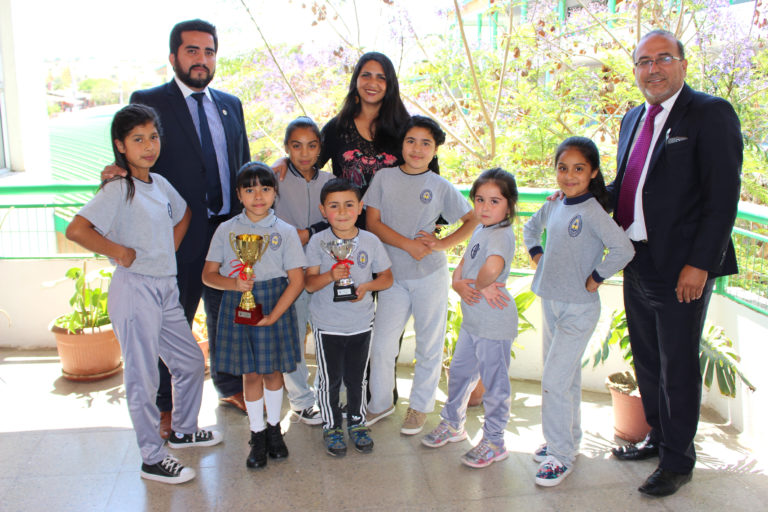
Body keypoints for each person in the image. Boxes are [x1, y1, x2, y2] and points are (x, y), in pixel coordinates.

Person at [607, 30, 741, 497]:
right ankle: (659, 438)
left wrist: (700, 264)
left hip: (682, 267)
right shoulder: (632, 118)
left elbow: (723, 198)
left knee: (677, 364)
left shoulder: (709, 113)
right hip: (636, 259)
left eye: (663, 58)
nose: (653, 69)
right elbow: (627, 186)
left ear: (682, 64)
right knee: (647, 360)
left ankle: (679, 460)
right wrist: (578, 194)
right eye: (643, 61)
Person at [105, 19, 251, 433]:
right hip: (177, 235)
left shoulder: (230, 104)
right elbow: (133, 155)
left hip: (228, 233)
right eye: (192, 51)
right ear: (173, 57)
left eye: (208, 52)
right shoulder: (150, 101)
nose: (201, 60)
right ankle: (164, 407)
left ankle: (228, 385)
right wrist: (114, 172)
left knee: (226, 318)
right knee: (173, 322)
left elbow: (240, 162)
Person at [66, 104, 222, 485]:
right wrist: (119, 252)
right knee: (142, 378)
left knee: (186, 362)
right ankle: (152, 457)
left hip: (165, 287)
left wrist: (166, 249)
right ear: (121, 145)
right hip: (135, 289)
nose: (148, 146)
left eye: (153, 137)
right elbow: (77, 230)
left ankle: (184, 432)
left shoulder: (160, 183)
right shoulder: (119, 187)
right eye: (138, 139)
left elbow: (183, 215)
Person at [524, 137, 634, 486]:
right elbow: (530, 229)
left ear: (593, 173)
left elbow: (623, 249)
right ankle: (566, 441)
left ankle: (560, 456)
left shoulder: (592, 212)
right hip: (550, 301)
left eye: (578, 169)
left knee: (554, 381)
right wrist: (539, 256)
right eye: (562, 168)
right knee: (565, 378)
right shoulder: (555, 204)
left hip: (579, 309)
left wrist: (596, 278)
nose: (569, 175)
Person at [363, 115, 478, 434]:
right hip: (391, 275)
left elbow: (472, 220)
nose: (417, 148)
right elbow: (372, 223)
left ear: (435, 150)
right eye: (411, 141)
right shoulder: (384, 178)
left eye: (426, 143)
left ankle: (419, 407)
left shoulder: (440, 186)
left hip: (430, 275)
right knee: (384, 342)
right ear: (402, 144)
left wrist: (441, 244)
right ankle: (380, 403)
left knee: (430, 343)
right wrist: (408, 245)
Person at [202, 162, 306, 469]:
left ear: (275, 192)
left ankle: (275, 430)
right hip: (240, 303)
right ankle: (257, 434)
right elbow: (209, 275)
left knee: (274, 372)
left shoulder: (285, 232)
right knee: (250, 373)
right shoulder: (227, 229)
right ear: (239, 194)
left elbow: (297, 280)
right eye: (249, 189)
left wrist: (274, 315)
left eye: (265, 188)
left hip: (276, 302)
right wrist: (234, 283)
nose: (257, 195)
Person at [421, 168, 519, 469]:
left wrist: (476, 284)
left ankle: (494, 440)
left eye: (494, 201)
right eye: (480, 200)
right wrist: (460, 282)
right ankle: (453, 424)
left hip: (494, 322)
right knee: (461, 374)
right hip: (473, 320)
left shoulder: (502, 235)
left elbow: (491, 268)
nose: (485, 208)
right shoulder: (481, 229)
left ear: (509, 205)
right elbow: (463, 266)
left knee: (494, 383)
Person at [305, 178, 394, 456]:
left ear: (360, 208)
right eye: (334, 206)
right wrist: (330, 276)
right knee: (329, 379)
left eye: (349, 205)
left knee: (357, 379)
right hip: (327, 324)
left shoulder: (370, 240)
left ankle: (356, 421)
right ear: (323, 210)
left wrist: (367, 286)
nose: (342, 212)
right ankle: (331, 426)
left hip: (360, 323)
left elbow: (387, 279)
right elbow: (309, 284)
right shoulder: (318, 242)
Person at [272, 116, 332, 426]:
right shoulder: (274, 179)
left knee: (326, 335)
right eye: (296, 146)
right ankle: (301, 400)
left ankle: (326, 394)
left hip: (323, 272)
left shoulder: (329, 182)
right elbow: (258, 215)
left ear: (320, 148)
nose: (304, 153)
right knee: (293, 337)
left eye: (311, 146)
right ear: (286, 149)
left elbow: (343, 217)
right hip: (289, 274)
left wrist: (309, 231)